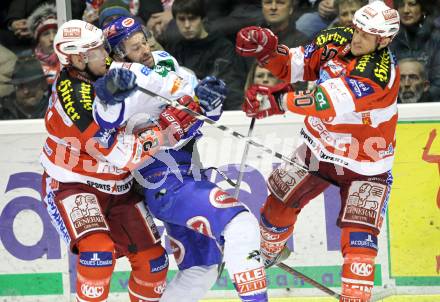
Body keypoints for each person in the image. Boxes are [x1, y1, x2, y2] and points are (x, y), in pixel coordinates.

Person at [236, 1, 400, 301]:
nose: (357, 38)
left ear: (385, 40)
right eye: (357, 29)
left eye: (367, 34)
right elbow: (293, 65)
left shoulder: (379, 73)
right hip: (318, 148)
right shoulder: (336, 38)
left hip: (365, 164)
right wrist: (269, 53)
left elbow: (325, 102)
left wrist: (278, 101)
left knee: (359, 243)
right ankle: (271, 250)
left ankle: (355, 294)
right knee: (277, 205)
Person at [97, 16, 268, 302]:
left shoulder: (163, 61)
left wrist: (208, 101)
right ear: (117, 53)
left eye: (144, 42)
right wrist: (111, 96)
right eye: (135, 48)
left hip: (188, 173)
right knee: (241, 225)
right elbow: (106, 118)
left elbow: (198, 111)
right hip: (165, 182)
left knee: (202, 270)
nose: (145, 51)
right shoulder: (121, 80)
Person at [38, 19, 197, 302]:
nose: (108, 54)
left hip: (118, 187)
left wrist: (192, 96)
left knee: (154, 263)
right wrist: (165, 129)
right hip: (73, 184)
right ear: (78, 58)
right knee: (97, 253)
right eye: (99, 50)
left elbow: (163, 82)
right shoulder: (76, 98)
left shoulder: (107, 70)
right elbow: (121, 156)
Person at [166, 0, 248, 110]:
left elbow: (229, 88)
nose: (187, 25)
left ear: (203, 19)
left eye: (192, 18)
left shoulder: (223, 47)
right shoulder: (175, 48)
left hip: (219, 110)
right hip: (183, 110)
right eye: (181, 19)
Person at [390, 0, 440, 101]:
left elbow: (438, 83)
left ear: (423, 8)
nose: (405, 10)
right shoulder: (389, 39)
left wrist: (416, 104)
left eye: (412, 4)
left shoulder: (436, 38)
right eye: (401, 5)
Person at [1, 55, 49, 119]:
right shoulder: (3, 111)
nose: (26, 91)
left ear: (44, 84)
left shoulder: (57, 108)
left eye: (31, 84)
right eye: (20, 86)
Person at [27, 3, 60, 85]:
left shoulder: (72, 61)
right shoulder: (30, 66)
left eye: (56, 32)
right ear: (38, 40)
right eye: (46, 34)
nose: (52, 39)